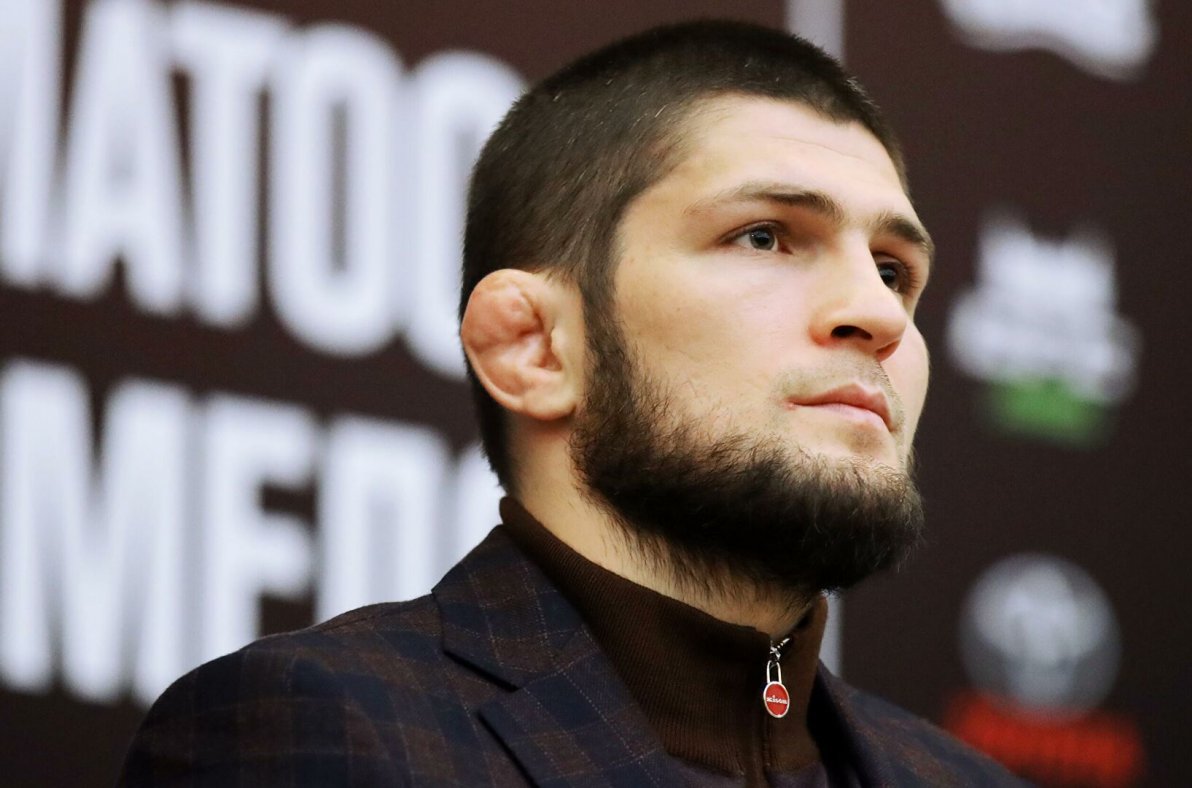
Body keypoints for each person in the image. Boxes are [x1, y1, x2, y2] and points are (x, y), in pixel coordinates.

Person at [120, 20, 1022, 787]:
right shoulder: (322, 731)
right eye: (764, 236)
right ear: (534, 347)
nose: (878, 314)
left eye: (894, 271)